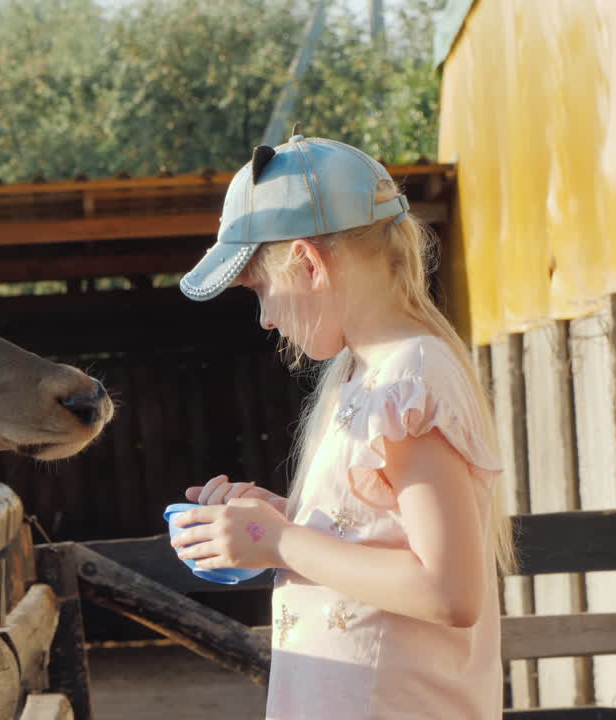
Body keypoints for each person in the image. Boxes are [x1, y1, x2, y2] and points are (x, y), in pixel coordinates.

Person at [170, 133, 513, 719]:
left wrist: (279, 541)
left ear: (307, 262)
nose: (266, 320)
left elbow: (448, 592)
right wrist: (279, 522)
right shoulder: (365, 374)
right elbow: (378, 533)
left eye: (259, 290)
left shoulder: (408, 382)